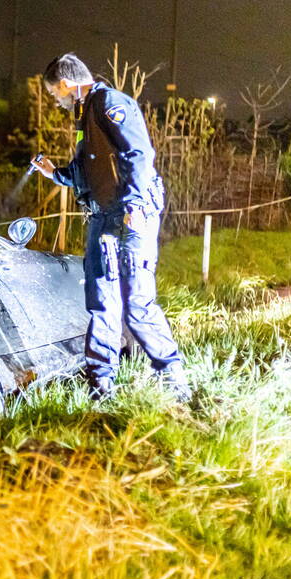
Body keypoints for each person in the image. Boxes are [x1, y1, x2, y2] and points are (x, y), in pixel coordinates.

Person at [30, 53, 190, 402]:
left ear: (65, 83)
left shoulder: (110, 103)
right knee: (102, 303)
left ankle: (174, 380)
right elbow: (86, 170)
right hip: (102, 216)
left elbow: (139, 155)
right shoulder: (84, 114)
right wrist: (53, 173)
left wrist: (133, 205)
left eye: (53, 92)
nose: (55, 99)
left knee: (136, 305)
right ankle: (101, 386)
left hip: (130, 213)